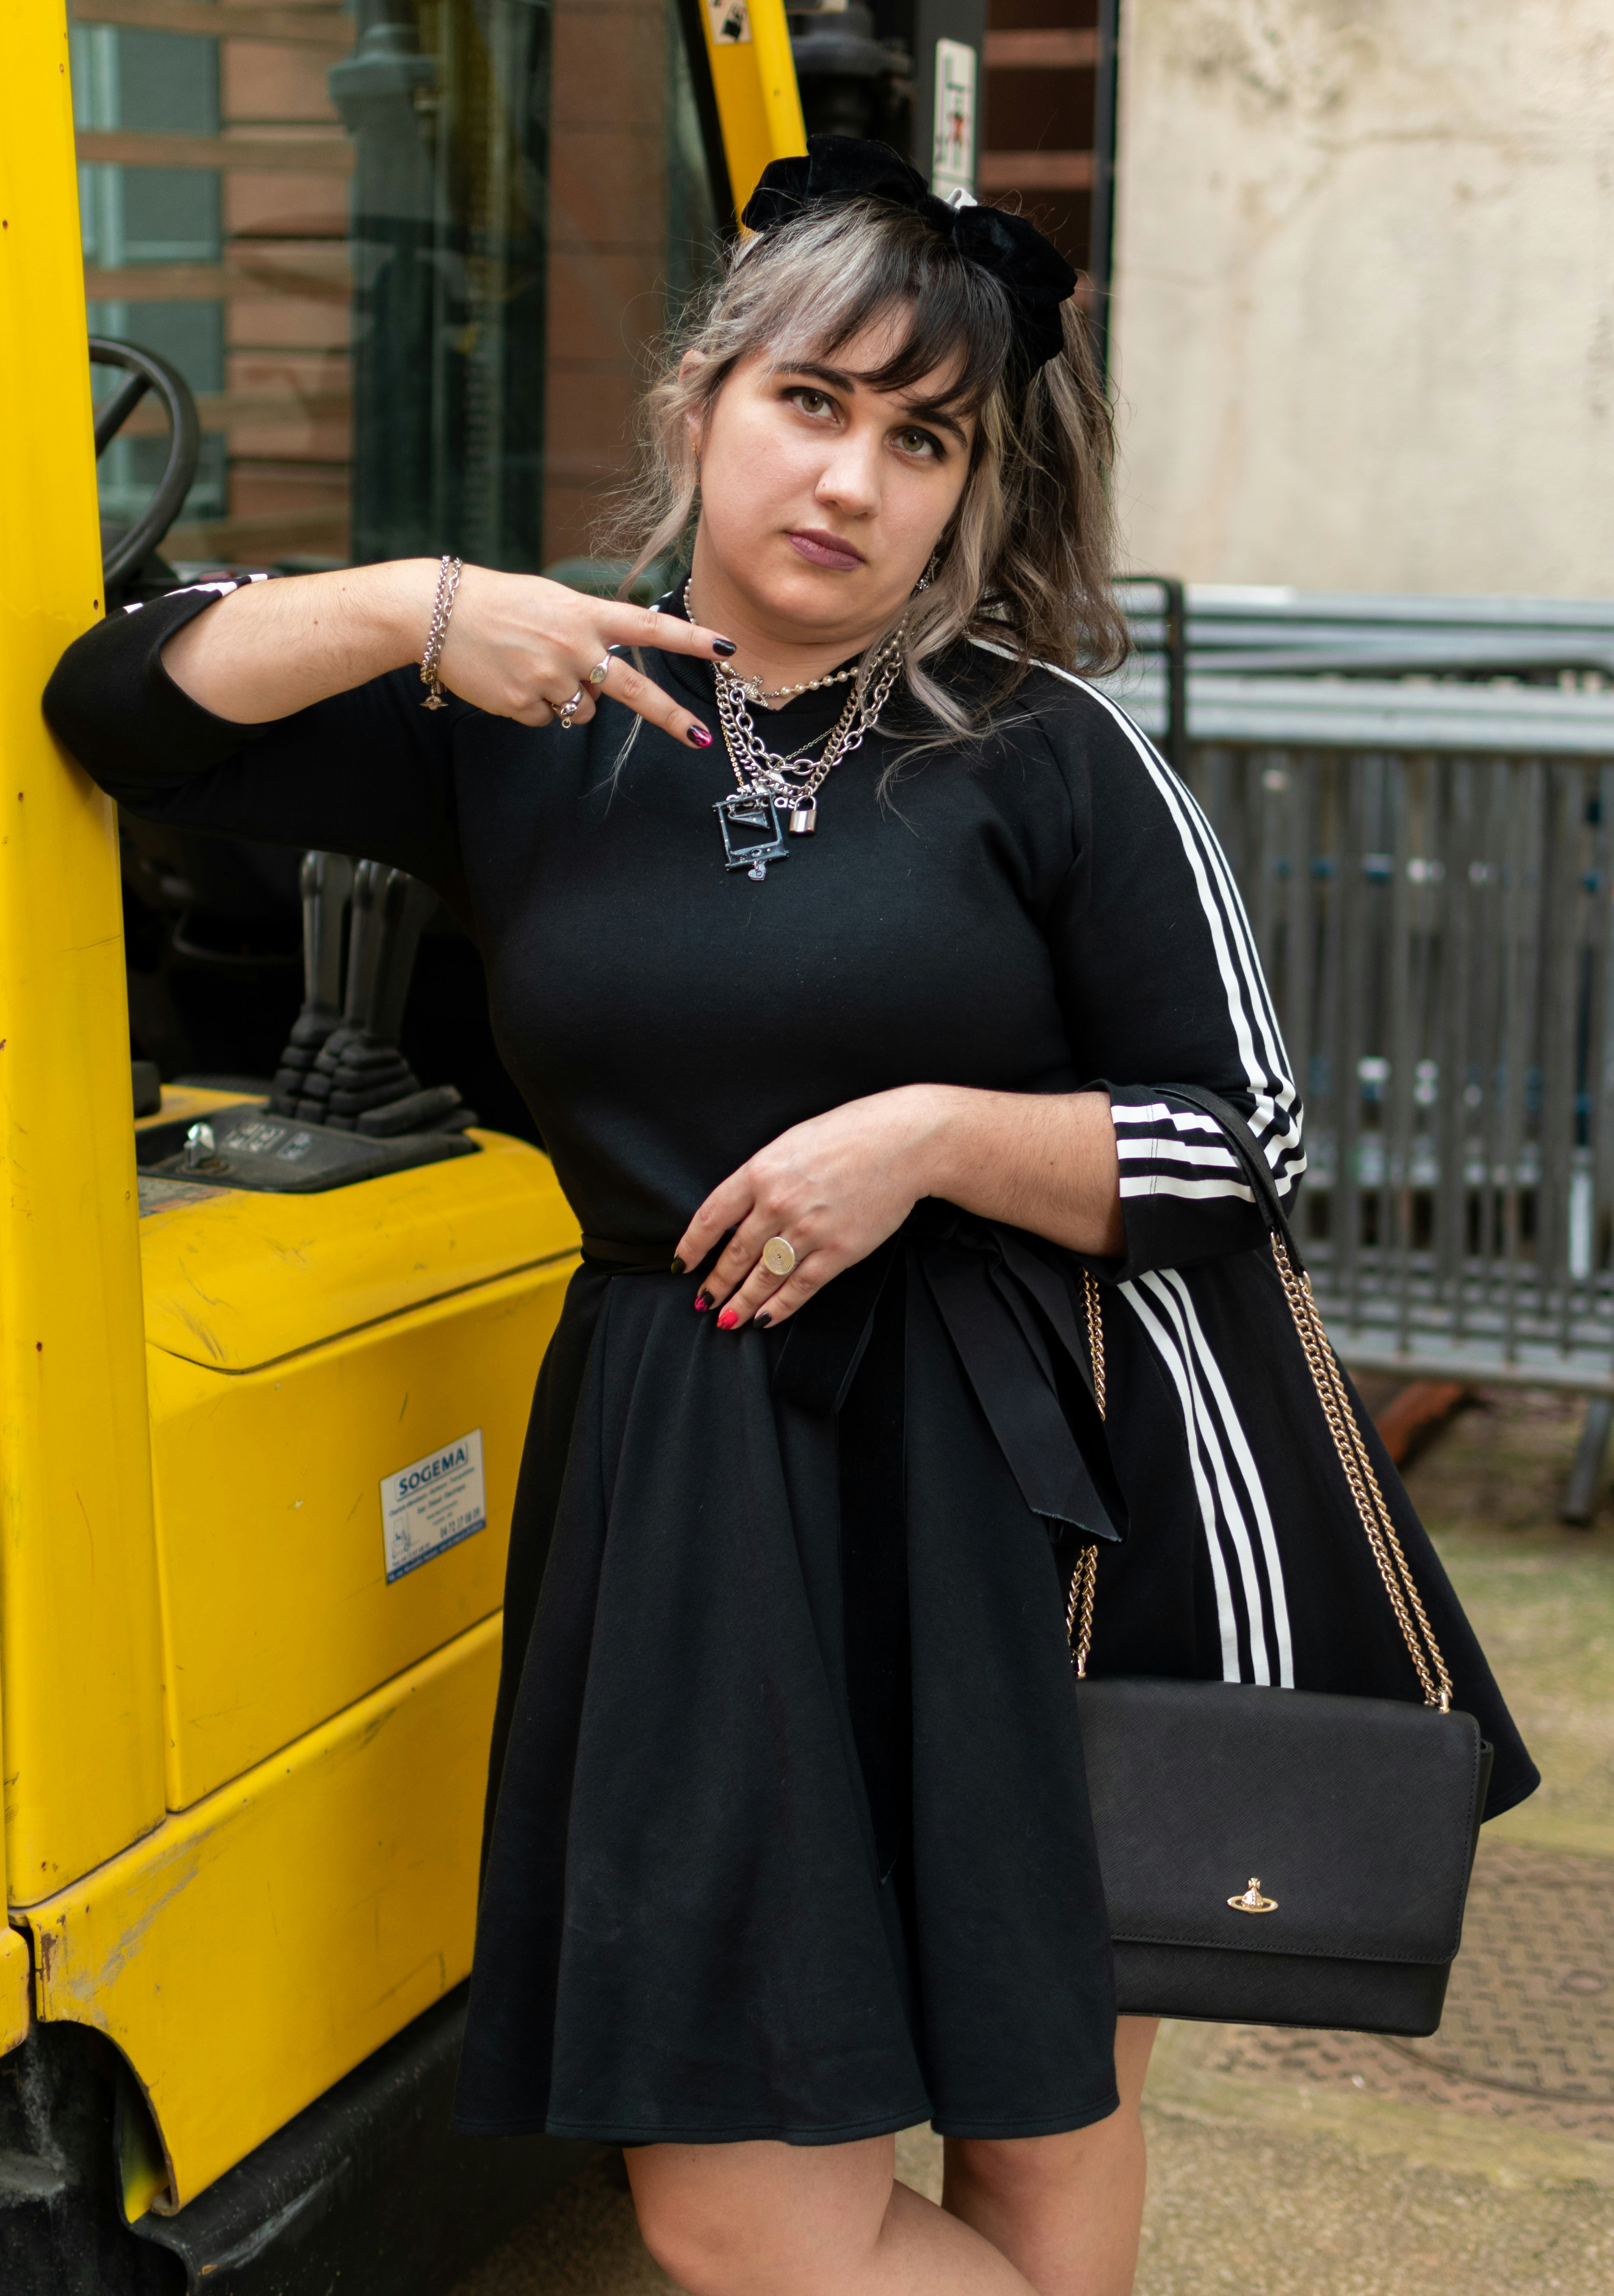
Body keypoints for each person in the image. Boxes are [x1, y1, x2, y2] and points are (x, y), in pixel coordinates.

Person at [46, 137, 1535, 2296]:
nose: (853, 476)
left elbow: (1244, 1149)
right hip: (689, 1488)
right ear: (700, 407)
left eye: (920, 437)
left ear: (969, 488)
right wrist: (426, 614)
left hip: (1024, 1499)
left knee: (1043, 2109)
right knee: (742, 2206)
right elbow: (115, 720)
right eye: (810, 403)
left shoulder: (1049, 754)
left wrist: (925, 1135)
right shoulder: (518, 725)